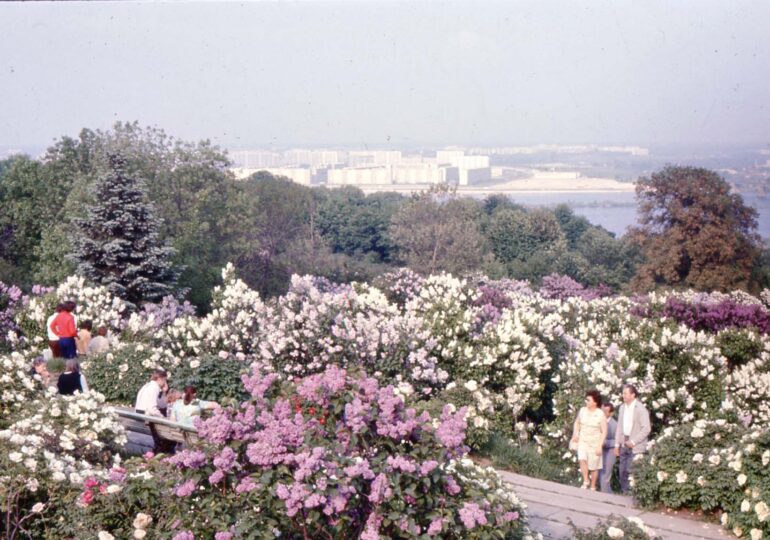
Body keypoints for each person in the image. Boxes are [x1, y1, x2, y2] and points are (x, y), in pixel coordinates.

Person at [614, 384, 652, 494]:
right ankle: (625, 494)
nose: (623, 395)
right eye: (623, 393)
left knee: (633, 471)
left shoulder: (640, 409)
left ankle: (632, 496)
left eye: (626, 393)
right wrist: (617, 444)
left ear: (633, 395)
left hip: (636, 445)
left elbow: (646, 429)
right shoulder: (622, 408)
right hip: (623, 442)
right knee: (622, 471)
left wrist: (634, 441)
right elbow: (619, 427)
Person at [571, 389, 607, 490]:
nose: (586, 402)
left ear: (595, 402)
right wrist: (575, 434)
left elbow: (604, 431)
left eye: (588, 400)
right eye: (586, 400)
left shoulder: (600, 414)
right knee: (582, 459)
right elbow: (577, 423)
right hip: (583, 440)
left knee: (594, 466)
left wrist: (600, 445)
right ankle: (586, 480)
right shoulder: (582, 410)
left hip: (595, 442)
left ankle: (593, 485)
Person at [598, 402, 618, 493]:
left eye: (605, 411)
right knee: (599, 473)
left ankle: (606, 496)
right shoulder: (598, 421)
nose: (603, 413)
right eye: (602, 410)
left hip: (610, 451)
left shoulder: (615, 425)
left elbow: (618, 441)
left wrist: (605, 443)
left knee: (605, 475)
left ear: (611, 413)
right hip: (599, 450)